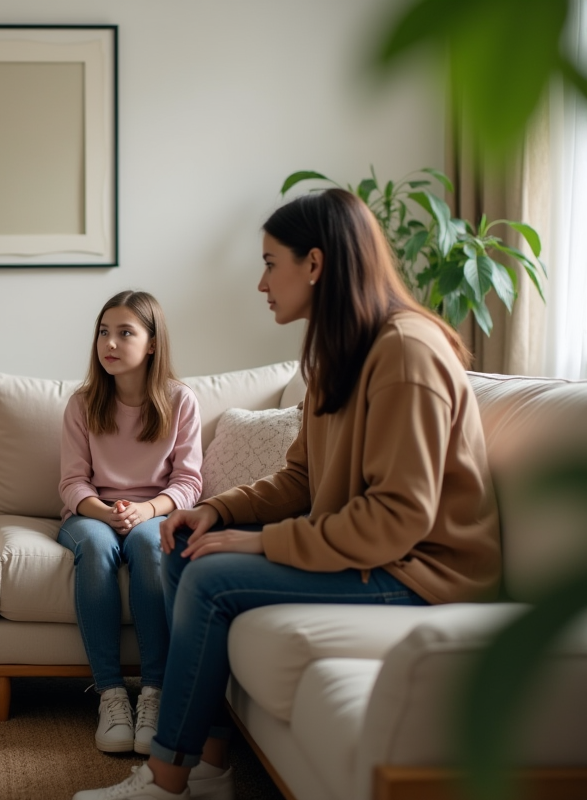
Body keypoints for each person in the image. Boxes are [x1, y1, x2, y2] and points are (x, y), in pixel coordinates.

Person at [74, 189, 501, 800]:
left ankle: (166, 781)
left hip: (419, 573)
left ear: (316, 264)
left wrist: (259, 544)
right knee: (185, 544)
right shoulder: (338, 355)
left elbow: (398, 519)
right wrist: (216, 509)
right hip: (378, 556)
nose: (260, 282)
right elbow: (301, 478)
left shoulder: (406, 351)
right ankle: (212, 763)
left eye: (271, 262)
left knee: (211, 577)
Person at [58, 290, 203, 755]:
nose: (111, 344)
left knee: (147, 544)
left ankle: (155, 694)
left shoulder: (181, 401)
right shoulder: (82, 404)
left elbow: (188, 481)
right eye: (104, 332)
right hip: (90, 513)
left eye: (125, 333)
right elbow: (72, 483)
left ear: (153, 343)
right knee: (98, 547)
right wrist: (105, 511)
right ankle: (112, 694)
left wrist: (147, 510)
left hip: (153, 511)